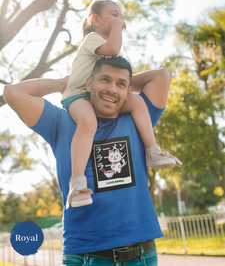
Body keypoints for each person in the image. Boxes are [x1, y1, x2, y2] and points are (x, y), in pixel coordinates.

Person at [3, 56, 182, 265]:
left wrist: (120, 84)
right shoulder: (61, 122)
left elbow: (161, 76)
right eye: (104, 80)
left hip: (142, 255)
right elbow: (12, 93)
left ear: (128, 92)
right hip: (86, 256)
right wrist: (65, 83)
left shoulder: (139, 118)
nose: (112, 89)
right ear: (89, 83)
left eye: (121, 84)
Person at [59, 0, 181, 208]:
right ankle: (77, 184)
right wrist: (118, 25)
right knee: (88, 121)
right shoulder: (92, 39)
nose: (119, 19)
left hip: (95, 96)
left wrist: (123, 86)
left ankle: (152, 151)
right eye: (113, 14)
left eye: (120, 15)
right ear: (95, 19)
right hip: (77, 96)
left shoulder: (105, 51)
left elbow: (117, 73)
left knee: (135, 102)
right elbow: (115, 49)